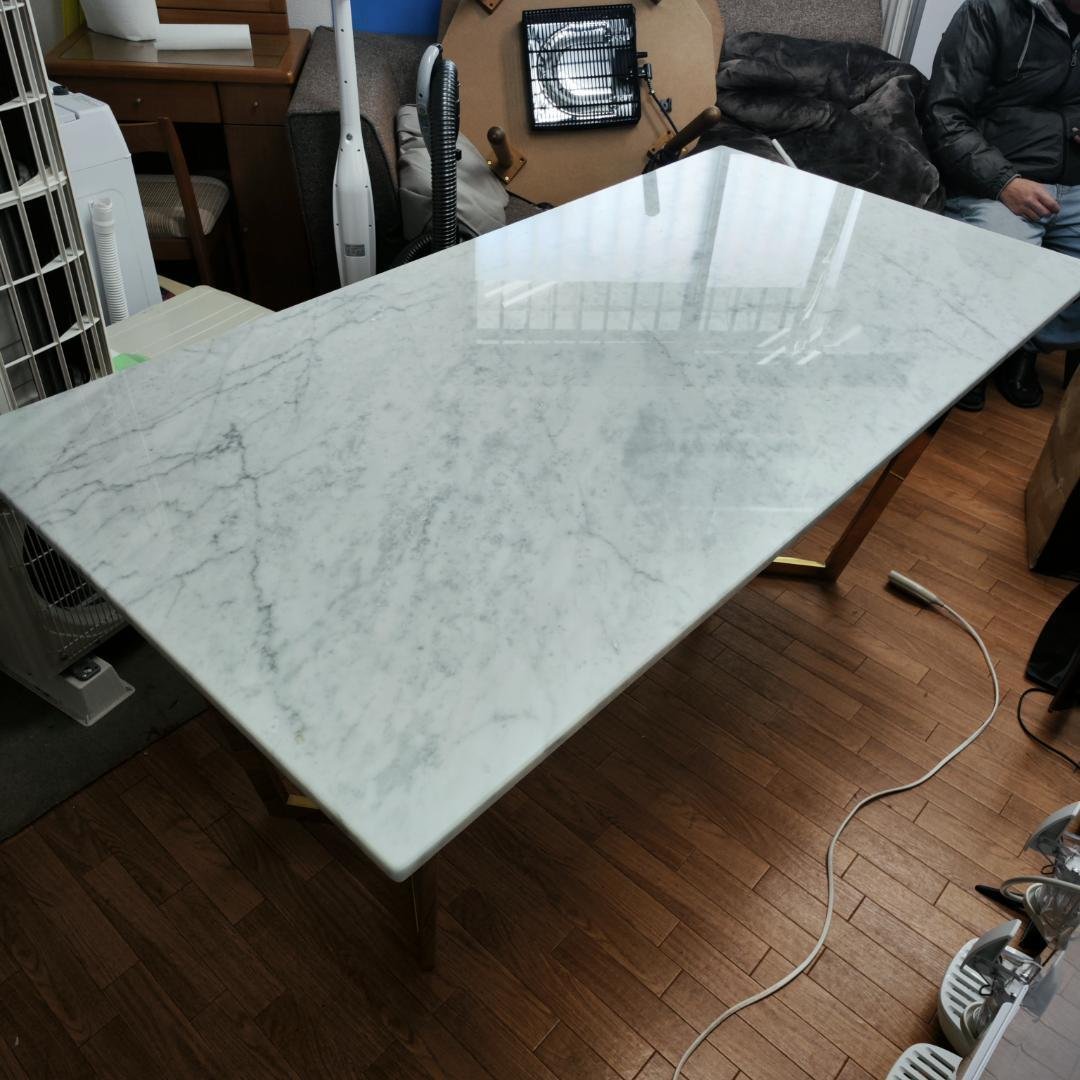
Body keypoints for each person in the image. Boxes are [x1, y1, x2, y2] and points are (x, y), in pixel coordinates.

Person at [926, 0, 1080, 410]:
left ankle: (1020, 346)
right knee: (1000, 261)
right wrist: (1003, 182)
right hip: (996, 179)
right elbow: (945, 114)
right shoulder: (988, 10)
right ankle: (975, 354)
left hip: (1074, 183)